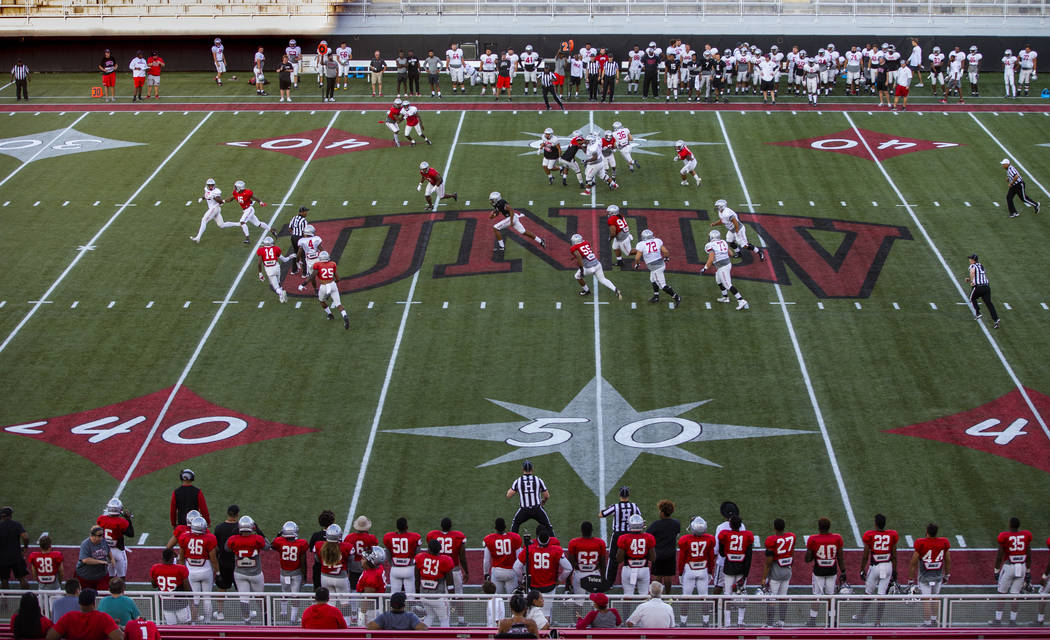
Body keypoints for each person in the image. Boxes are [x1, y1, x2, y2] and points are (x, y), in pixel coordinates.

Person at [513, 528, 570, 618]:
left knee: (532, 614)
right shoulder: (557, 550)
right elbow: (568, 569)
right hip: (549, 587)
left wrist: (523, 580)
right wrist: (559, 580)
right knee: (546, 615)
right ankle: (546, 631)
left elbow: (516, 567)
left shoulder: (529, 549)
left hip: (533, 587)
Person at [805, 517, 846, 625]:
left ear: (819, 527)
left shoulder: (813, 539)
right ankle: (831, 620)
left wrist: (812, 550)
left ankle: (813, 620)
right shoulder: (837, 538)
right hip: (832, 571)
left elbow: (807, 559)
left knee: (816, 596)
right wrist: (843, 571)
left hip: (818, 572)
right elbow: (840, 557)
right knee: (830, 596)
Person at [992, 516, 1032, 625]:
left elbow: (999, 556)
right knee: (1015, 595)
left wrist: (996, 570)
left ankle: (998, 619)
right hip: (1022, 567)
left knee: (1002, 594)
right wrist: (1028, 570)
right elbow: (1029, 554)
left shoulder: (1005, 537)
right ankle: (1013, 620)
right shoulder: (1025, 536)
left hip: (1009, 566)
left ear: (1010, 525)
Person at [909, 522, 951, 627]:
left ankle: (927, 623)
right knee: (935, 597)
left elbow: (913, 562)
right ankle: (934, 621)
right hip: (937, 576)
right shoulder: (943, 542)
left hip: (925, 577)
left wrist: (910, 579)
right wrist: (947, 575)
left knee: (926, 600)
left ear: (927, 532)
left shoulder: (921, 543)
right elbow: (948, 560)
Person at [227, 515, 267, 624]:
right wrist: (259, 531)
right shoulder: (257, 539)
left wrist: (235, 533)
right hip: (255, 573)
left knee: (243, 598)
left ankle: (246, 619)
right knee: (260, 596)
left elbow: (227, 547)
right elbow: (267, 546)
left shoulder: (233, 539)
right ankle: (266, 616)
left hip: (240, 573)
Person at [178, 516, 218, 621]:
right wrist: (217, 572)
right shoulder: (210, 538)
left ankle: (194, 623)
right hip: (206, 570)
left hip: (191, 572)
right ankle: (207, 621)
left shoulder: (184, 537)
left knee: (195, 599)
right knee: (207, 598)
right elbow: (213, 559)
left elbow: (181, 557)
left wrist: (182, 572)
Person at [677, 516, 715, 625]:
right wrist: (710, 571)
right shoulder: (709, 539)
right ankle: (706, 621)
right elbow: (711, 557)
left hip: (690, 570)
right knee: (704, 597)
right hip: (703, 570)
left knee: (686, 598)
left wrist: (680, 573)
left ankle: (683, 622)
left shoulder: (685, 540)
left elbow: (681, 559)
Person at [717, 516, 754, 627]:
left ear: (730, 525)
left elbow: (722, 553)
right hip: (742, 569)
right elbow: (749, 557)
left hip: (729, 568)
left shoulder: (725, 535)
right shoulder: (747, 536)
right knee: (741, 596)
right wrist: (745, 575)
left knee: (727, 595)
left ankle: (727, 623)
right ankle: (740, 621)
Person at [44, 589, 121, 640]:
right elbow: (119, 638)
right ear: (94, 603)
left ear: (79, 603)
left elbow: (50, 637)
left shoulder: (69, 617)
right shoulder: (103, 618)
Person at [633, 229, 682, 308]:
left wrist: (637, 264)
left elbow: (637, 257)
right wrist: (666, 258)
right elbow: (665, 251)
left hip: (656, 268)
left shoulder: (641, 244)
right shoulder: (657, 240)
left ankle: (677, 297)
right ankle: (656, 296)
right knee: (652, 280)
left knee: (662, 285)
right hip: (660, 264)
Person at [761, 518, 796, 627]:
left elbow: (768, 563)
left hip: (776, 573)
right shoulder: (791, 537)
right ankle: (781, 622)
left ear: (775, 527)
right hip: (787, 571)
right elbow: (792, 554)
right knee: (783, 597)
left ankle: (770, 623)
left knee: (771, 599)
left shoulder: (772, 540)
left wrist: (763, 578)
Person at [702, 229, 748, 310]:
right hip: (726, 264)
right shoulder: (723, 242)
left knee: (727, 285)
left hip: (722, 267)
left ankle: (741, 300)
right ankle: (725, 298)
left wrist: (705, 268)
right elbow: (731, 253)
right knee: (718, 281)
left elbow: (711, 258)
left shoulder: (709, 245)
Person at [270, 521, 308, 622]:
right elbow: (303, 561)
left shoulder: (279, 541)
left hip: (284, 573)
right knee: (295, 595)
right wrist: (304, 576)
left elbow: (272, 545)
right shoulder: (302, 543)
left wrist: (279, 534)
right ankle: (293, 618)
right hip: (296, 574)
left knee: (284, 591)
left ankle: (283, 612)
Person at [414, 539, 453, 627]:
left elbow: (417, 579)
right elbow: (450, 583)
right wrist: (452, 596)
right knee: (444, 619)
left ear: (429, 548)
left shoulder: (420, 557)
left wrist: (417, 595)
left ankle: (423, 636)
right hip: (438, 597)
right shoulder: (445, 560)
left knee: (429, 616)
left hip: (424, 595)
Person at [571, 232, 621, 300]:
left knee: (577, 276)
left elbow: (579, 256)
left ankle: (586, 290)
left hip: (589, 268)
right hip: (597, 264)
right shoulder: (586, 243)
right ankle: (615, 289)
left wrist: (582, 270)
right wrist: (576, 257)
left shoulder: (574, 248)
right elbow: (587, 252)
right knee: (603, 279)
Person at [306, 251, 349, 329]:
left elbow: (312, 276)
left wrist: (304, 284)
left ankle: (330, 314)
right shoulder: (332, 264)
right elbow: (338, 279)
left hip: (324, 286)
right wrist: (333, 284)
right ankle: (344, 315)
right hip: (333, 284)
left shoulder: (317, 265)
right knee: (338, 304)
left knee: (322, 301)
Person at [427, 517, 468, 597]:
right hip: (454, 570)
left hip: (438, 569)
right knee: (457, 596)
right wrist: (466, 571)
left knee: (441, 596)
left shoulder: (433, 535)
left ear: (441, 526)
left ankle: (447, 610)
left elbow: (430, 552)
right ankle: (454, 610)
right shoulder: (458, 536)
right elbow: (462, 557)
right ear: (451, 526)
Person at [616, 514, 655, 596]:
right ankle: (643, 609)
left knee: (627, 595)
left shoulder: (624, 538)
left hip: (628, 569)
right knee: (644, 596)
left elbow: (619, 559)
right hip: (644, 569)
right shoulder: (649, 537)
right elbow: (653, 558)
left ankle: (626, 609)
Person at [646, 500, 680, 591]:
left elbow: (648, 535)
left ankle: (657, 595)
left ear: (662, 511)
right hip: (671, 553)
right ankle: (668, 596)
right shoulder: (676, 523)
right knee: (668, 575)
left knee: (657, 575)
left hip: (658, 553)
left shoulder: (656, 524)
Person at [150, 548, 191, 624]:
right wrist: (191, 597)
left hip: (165, 603)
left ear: (162, 558)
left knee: (171, 627)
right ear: (173, 558)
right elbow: (187, 588)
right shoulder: (181, 569)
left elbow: (154, 585)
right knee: (186, 625)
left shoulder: (155, 568)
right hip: (180, 602)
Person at [96, 499, 133, 580]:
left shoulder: (101, 519)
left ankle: (110, 591)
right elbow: (131, 534)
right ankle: (121, 591)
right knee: (121, 577)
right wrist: (128, 519)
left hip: (106, 550)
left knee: (110, 576)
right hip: (118, 551)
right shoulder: (122, 522)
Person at [384, 518, 421, 594]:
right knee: (410, 595)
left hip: (395, 568)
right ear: (406, 526)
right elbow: (417, 552)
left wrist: (391, 563)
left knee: (394, 594)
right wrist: (412, 561)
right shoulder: (415, 537)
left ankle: (394, 606)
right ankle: (409, 605)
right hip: (409, 568)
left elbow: (388, 552)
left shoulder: (389, 537)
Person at [568, 521, 605, 594]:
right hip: (594, 574)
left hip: (579, 574)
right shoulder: (600, 543)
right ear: (592, 530)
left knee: (579, 602)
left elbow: (570, 565)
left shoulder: (574, 543)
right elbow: (603, 564)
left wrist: (568, 582)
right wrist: (603, 579)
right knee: (594, 602)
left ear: (581, 530)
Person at [315, 524, 353, 596]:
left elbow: (317, 560)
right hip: (341, 577)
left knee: (330, 602)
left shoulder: (319, 545)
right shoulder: (347, 547)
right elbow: (350, 561)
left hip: (325, 577)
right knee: (345, 603)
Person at [212, 505, 241, 600]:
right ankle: (246, 613)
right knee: (241, 589)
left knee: (222, 587)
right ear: (237, 515)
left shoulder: (219, 528)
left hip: (223, 562)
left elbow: (215, 547)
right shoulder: (239, 528)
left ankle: (220, 612)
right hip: (237, 563)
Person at [967, 253, 1000, 329]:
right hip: (987, 287)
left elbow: (972, 272)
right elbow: (979, 275)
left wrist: (972, 281)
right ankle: (996, 319)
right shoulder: (981, 266)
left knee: (972, 298)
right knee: (989, 303)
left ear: (973, 260)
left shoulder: (973, 266)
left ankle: (978, 313)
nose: (969, 260)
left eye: (970, 259)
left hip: (979, 287)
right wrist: (970, 279)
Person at [355, 546, 387, 626]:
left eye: (363, 558)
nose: (361, 560)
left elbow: (367, 600)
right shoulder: (377, 568)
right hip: (376, 606)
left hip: (370, 611)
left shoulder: (371, 577)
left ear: (370, 561)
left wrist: (361, 616)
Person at [75, 526, 112, 592]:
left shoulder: (103, 541)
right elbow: (85, 560)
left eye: (102, 535)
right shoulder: (85, 544)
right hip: (86, 576)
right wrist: (101, 562)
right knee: (86, 597)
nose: (101, 538)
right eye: (99, 536)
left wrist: (112, 559)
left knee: (104, 594)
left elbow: (108, 550)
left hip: (101, 574)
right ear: (92, 536)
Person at [0, 506, 29, 589]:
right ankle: (26, 596)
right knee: (22, 578)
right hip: (16, 556)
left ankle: (5, 600)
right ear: (10, 515)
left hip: (2, 558)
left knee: (4, 580)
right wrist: (25, 547)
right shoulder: (16, 525)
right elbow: (25, 537)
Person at [309, 510, 336, 591]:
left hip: (319, 567)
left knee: (317, 591)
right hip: (333, 568)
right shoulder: (337, 536)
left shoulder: (316, 536)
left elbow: (311, 550)